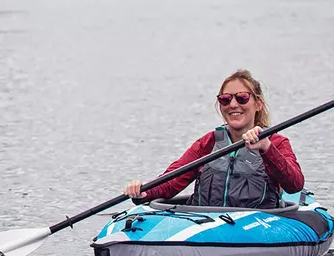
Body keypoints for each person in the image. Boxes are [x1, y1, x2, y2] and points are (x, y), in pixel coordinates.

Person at [124, 69, 304, 208]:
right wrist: (144, 192)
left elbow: (295, 185)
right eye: (225, 99)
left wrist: (266, 148)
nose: (233, 104)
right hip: (207, 222)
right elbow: (171, 181)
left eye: (242, 98)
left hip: (257, 225)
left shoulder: (276, 143)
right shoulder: (208, 142)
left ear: (258, 104)